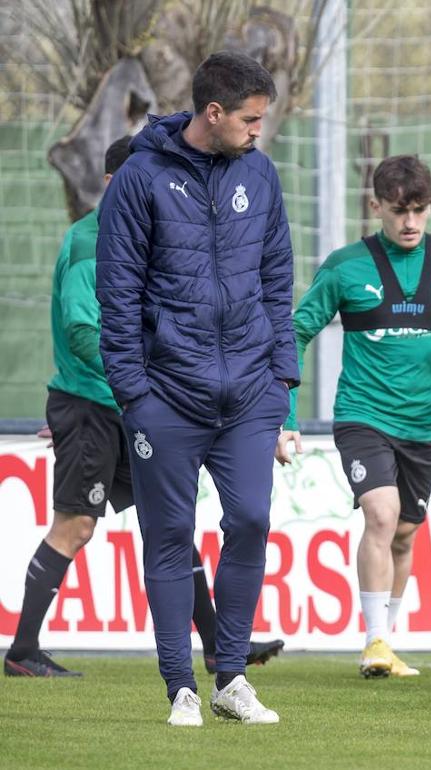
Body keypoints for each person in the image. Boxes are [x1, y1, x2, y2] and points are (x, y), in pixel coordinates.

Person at [4, 138, 283, 680]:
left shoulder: (144, 239)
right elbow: (87, 333)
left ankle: (223, 646)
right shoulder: (91, 241)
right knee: (77, 524)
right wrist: (133, 389)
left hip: (131, 406)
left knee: (171, 523)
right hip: (95, 404)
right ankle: (22, 650)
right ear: (116, 183)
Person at [97, 52, 297, 726]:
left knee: (249, 522)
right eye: (250, 118)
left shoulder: (261, 175)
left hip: (248, 397)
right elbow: (117, 295)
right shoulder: (139, 180)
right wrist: (134, 394)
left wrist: (281, 385)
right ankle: (180, 686)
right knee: (170, 536)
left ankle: (231, 678)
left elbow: (278, 282)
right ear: (213, 114)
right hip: (166, 398)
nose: (258, 130)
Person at [281, 154, 431, 680]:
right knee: (380, 513)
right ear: (376, 206)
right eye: (399, 211)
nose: (411, 222)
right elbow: (295, 334)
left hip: (423, 424)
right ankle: (374, 640)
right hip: (362, 415)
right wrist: (286, 418)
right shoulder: (345, 266)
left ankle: (387, 641)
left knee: (404, 533)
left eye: (420, 210)